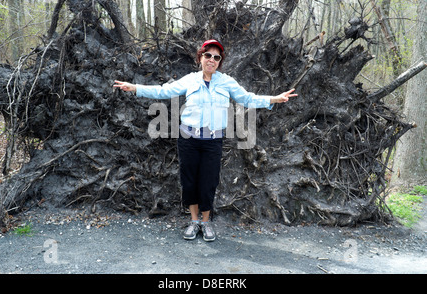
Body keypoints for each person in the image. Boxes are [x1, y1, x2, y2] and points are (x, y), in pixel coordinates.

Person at [113, 39, 297, 241]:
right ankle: (194, 222)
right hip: (188, 140)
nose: (211, 59)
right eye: (207, 55)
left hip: (212, 141)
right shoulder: (190, 80)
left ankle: (206, 222)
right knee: (189, 181)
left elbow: (247, 98)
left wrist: (274, 99)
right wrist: (136, 88)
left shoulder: (226, 82)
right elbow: (163, 91)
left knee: (208, 182)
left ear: (220, 62)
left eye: (216, 57)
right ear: (200, 57)